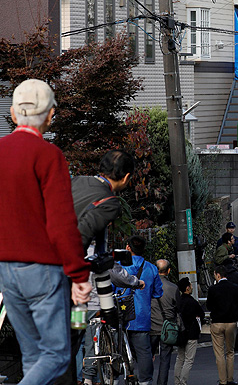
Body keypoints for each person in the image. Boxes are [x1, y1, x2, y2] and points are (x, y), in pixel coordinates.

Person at [0, 79, 92, 385]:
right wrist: (79, 276)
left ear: (13, 114)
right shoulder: (49, 156)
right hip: (42, 270)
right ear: (50, 115)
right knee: (55, 354)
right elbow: (61, 224)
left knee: (32, 358)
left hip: (5, 270)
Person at [71, 149, 140, 385]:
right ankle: (88, 378)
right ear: (126, 177)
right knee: (75, 343)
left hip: (30, 264)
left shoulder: (77, 181)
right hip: (77, 293)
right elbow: (81, 238)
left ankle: (84, 378)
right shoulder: (110, 203)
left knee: (72, 345)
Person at [116, 235, 163, 385]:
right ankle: (145, 381)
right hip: (141, 316)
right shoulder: (151, 268)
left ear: (128, 248)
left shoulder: (118, 267)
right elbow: (158, 293)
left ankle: (116, 378)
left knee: (117, 350)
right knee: (144, 353)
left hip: (120, 315)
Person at [207, 265, 238, 385]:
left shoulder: (213, 289)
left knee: (219, 353)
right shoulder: (235, 288)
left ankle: (222, 381)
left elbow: (209, 306)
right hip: (231, 323)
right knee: (230, 352)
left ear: (218, 275)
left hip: (217, 322)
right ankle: (230, 379)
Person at [150, 259, 180, 385]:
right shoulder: (173, 288)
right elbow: (178, 308)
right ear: (168, 271)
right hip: (167, 328)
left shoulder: (148, 286)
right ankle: (161, 383)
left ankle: (146, 380)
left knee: (147, 357)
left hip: (151, 327)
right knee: (165, 359)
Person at [174, 278, 205, 385]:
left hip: (180, 333)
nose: (192, 287)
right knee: (189, 359)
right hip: (191, 333)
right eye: (191, 286)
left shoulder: (179, 301)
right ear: (187, 288)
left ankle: (177, 381)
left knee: (180, 358)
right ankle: (183, 381)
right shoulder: (192, 302)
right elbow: (202, 314)